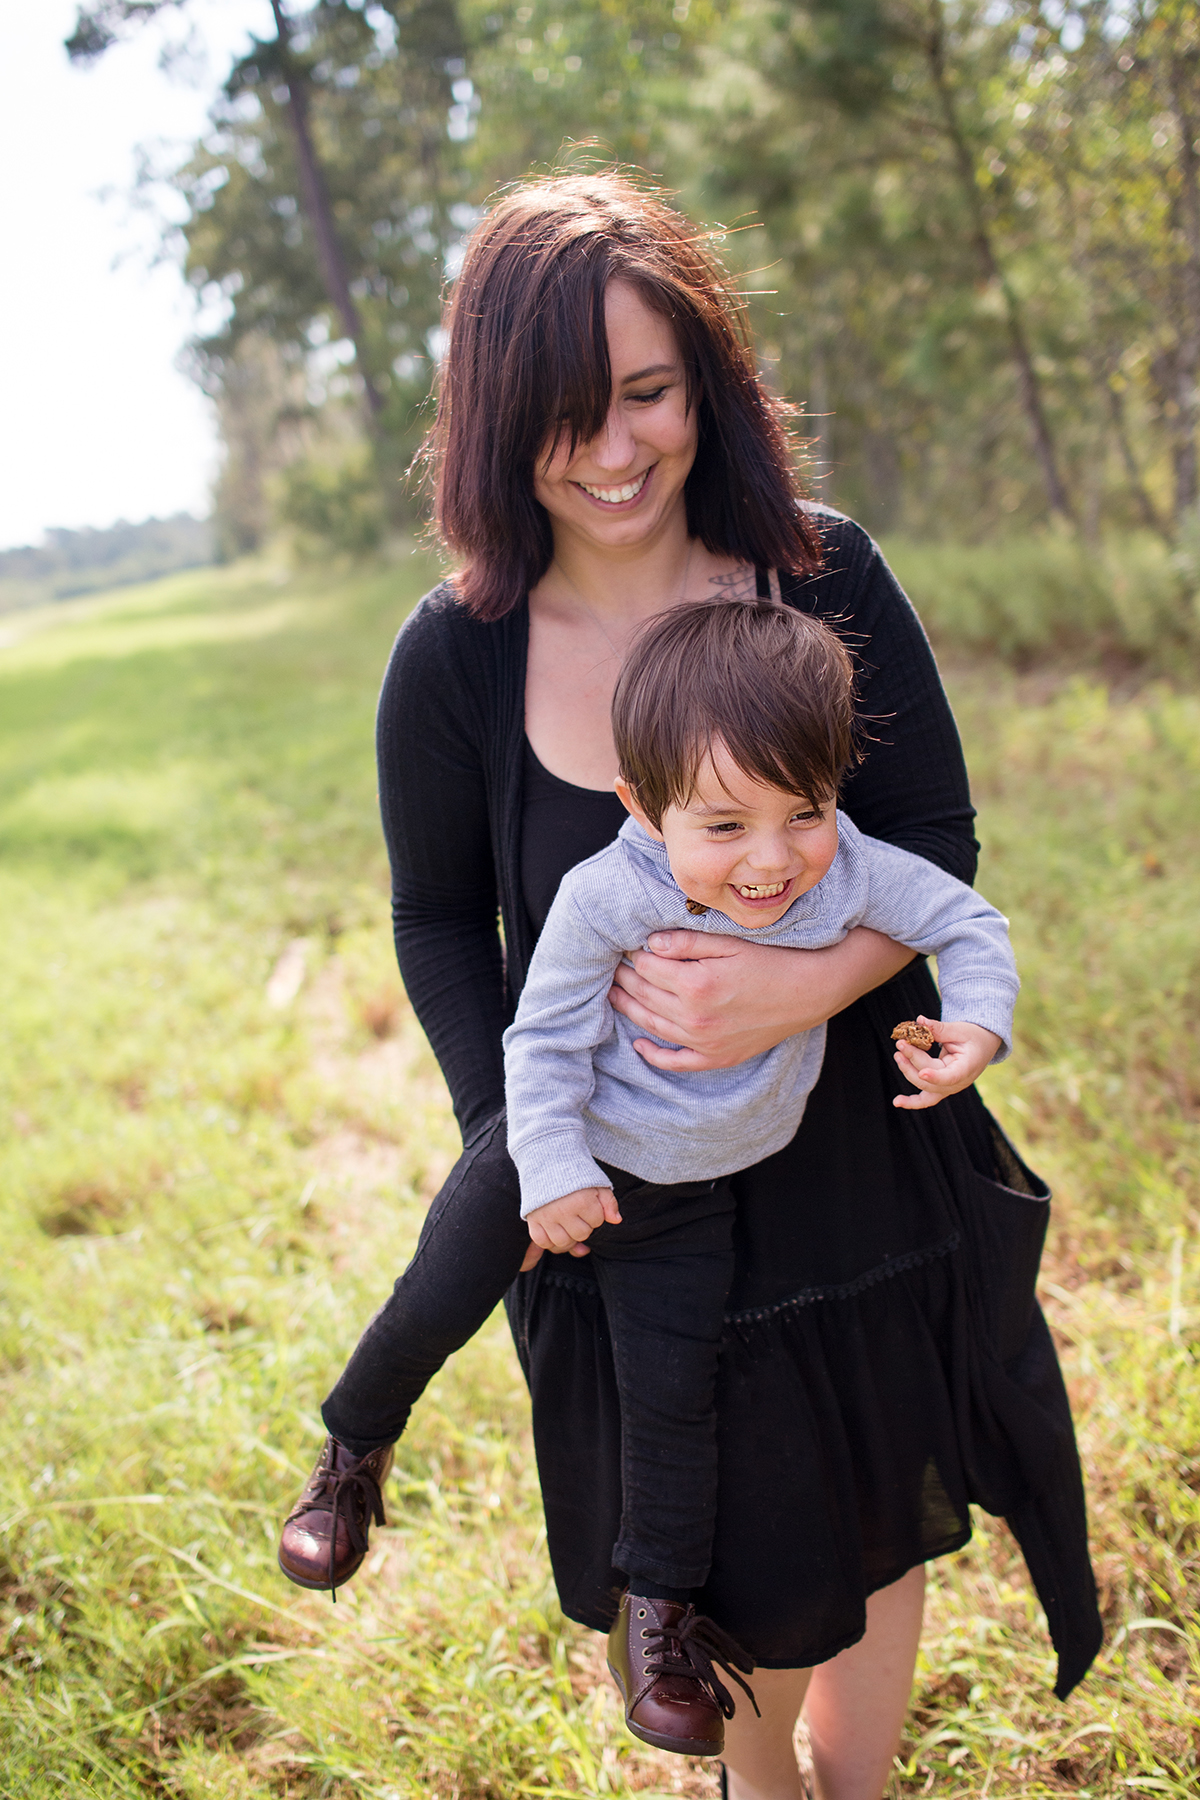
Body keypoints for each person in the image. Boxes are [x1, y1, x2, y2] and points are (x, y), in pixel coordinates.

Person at [278, 173, 1100, 1800]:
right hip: (630, 1205)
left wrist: (804, 990)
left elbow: (932, 836)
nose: (614, 449)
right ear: (490, 416)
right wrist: (520, 1143)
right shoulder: (457, 658)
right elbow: (439, 919)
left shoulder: (822, 573)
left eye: (648, 392)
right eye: (564, 410)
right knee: (710, 1587)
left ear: (707, 381)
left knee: (873, 1523)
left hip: (857, 1176)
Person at [503, 595, 1020, 1757]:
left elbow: (967, 920)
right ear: (643, 809)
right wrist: (548, 1161)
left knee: (870, 1495)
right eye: (729, 824)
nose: (774, 859)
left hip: (816, 1189)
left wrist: (976, 1023)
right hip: (627, 1187)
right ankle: (357, 1438)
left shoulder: (849, 871)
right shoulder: (612, 891)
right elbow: (539, 1035)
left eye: (807, 812)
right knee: (677, 1437)